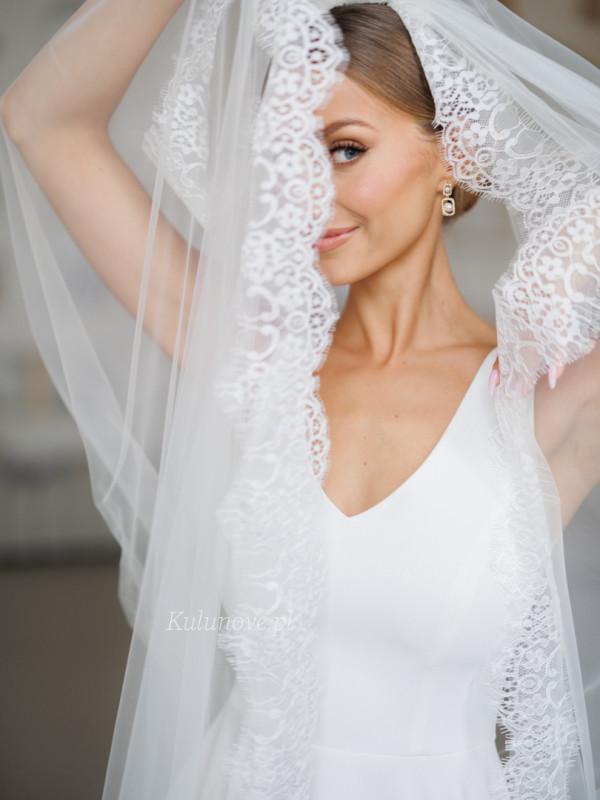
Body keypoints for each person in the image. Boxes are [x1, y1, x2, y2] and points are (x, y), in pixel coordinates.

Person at [0, 1, 599, 798]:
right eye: (285, 157)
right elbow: (41, 119)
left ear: (456, 151)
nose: (306, 195)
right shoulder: (256, 359)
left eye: (345, 149)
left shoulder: (548, 397)